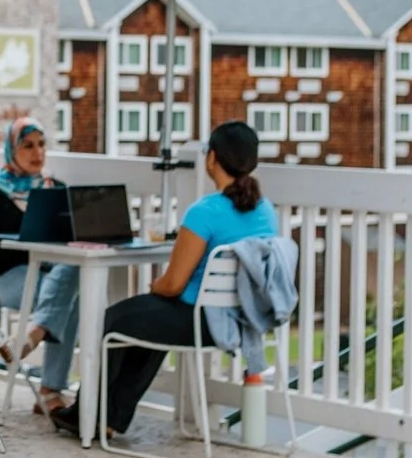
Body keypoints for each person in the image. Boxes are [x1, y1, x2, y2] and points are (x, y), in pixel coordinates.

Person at [53, 120, 277, 439]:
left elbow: (172, 284)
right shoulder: (267, 211)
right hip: (245, 319)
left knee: (113, 320)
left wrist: (154, 287)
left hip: (203, 321)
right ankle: (110, 417)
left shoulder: (206, 211)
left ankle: (88, 415)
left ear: (211, 158)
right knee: (148, 319)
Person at [0, 117, 79, 417]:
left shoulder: (56, 189)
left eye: (42, 145)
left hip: (49, 278)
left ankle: (30, 337)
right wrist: (26, 251)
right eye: (28, 145)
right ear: (11, 149)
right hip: (3, 278)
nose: (37, 153)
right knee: (72, 299)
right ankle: (50, 390)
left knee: (73, 278)